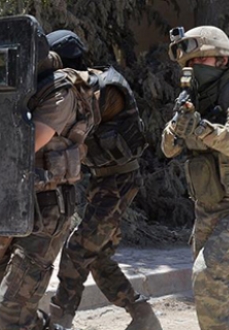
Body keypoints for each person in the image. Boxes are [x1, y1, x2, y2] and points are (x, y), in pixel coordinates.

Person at [0, 35, 101, 330]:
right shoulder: (0, 90)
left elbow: (24, 146)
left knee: (12, 310)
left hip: (45, 207)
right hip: (3, 203)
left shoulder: (56, 92)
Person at [45, 30, 161, 330]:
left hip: (119, 181)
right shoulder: (80, 84)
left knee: (78, 248)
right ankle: (142, 316)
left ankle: (61, 318)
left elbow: (75, 123)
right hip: (104, 181)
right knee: (97, 255)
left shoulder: (101, 86)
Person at [161, 25, 229, 330]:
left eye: (199, 61)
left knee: (206, 278)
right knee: (215, 285)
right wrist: (178, 126)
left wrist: (197, 127)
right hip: (208, 207)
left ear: (222, 60)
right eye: (188, 64)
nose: (192, 69)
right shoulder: (193, 100)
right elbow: (167, 149)